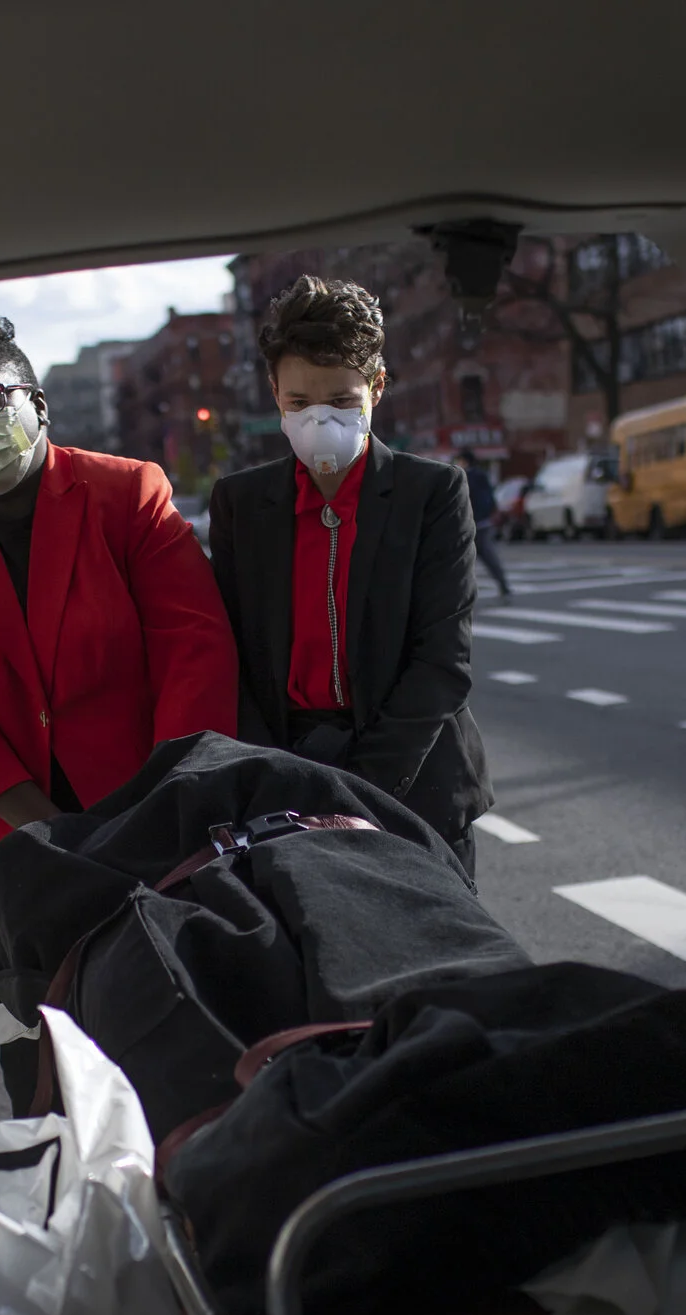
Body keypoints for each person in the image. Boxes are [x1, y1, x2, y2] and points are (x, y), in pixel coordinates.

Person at [0, 305, 239, 1106]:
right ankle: (66, 1192)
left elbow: (194, 648)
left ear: (35, 402)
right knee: (41, 1050)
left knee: (169, 1035)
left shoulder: (126, 492)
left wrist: (149, 809)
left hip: (149, 820)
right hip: (10, 841)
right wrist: (48, 832)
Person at [208, 277, 493, 871]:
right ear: (274, 393)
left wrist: (361, 790)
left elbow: (442, 659)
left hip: (413, 784)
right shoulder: (242, 502)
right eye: (298, 404)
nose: (320, 421)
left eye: (341, 402)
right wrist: (281, 778)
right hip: (288, 782)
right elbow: (229, 652)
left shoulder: (431, 492)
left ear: (377, 387)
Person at [457, 448, 515, 600]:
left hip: (474, 523)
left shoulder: (466, 477)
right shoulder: (481, 475)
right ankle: (503, 584)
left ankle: (461, 593)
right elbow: (490, 496)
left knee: (464, 560)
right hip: (482, 522)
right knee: (487, 557)